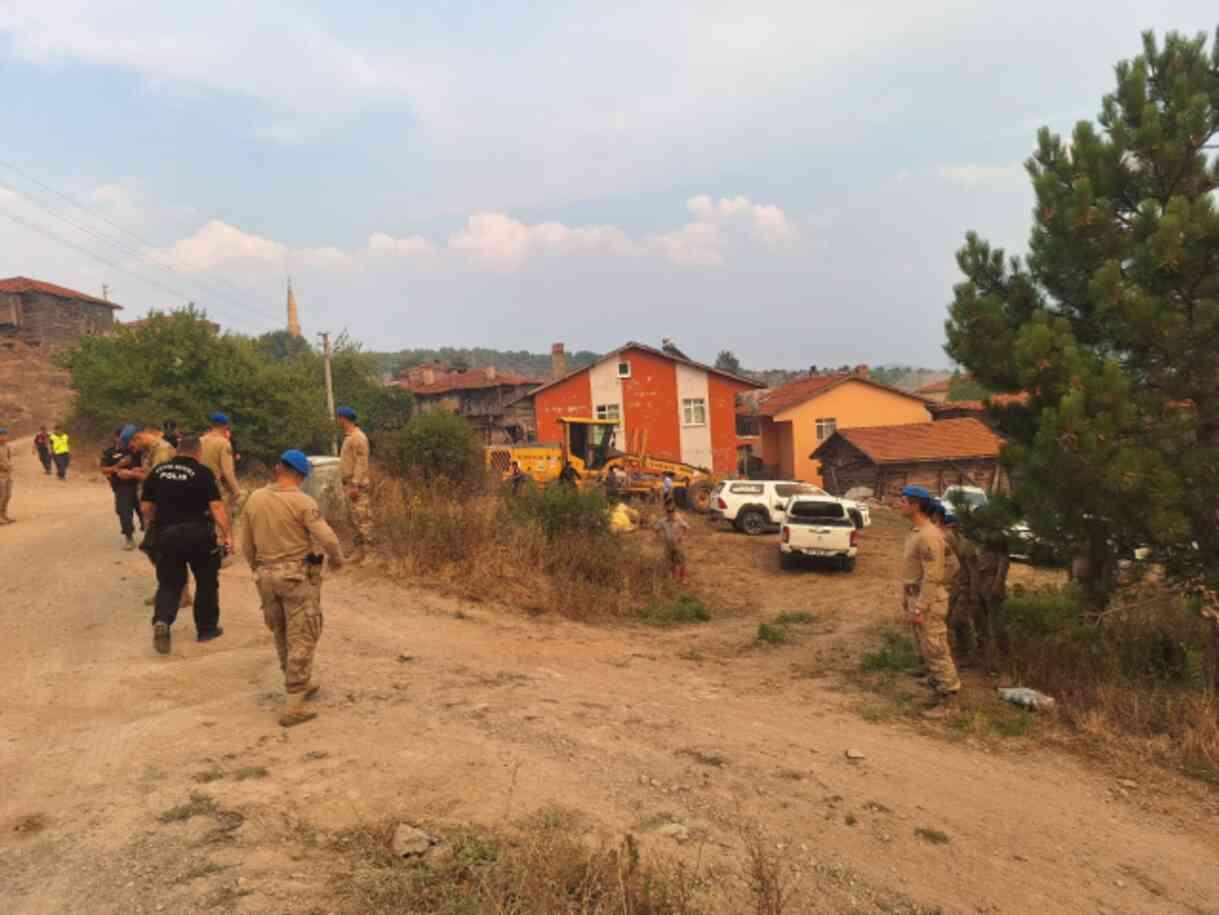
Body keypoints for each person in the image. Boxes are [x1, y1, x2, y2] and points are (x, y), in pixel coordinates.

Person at [241, 449, 345, 727]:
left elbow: (246, 546)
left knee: (281, 631)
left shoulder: (254, 499)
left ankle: (298, 681)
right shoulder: (303, 502)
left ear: (278, 468)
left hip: (265, 575)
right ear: (301, 476)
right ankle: (294, 705)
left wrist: (258, 568)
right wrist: (337, 561)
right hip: (296, 576)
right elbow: (328, 538)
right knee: (303, 634)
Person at [140, 434, 231, 654]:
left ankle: (162, 620)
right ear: (198, 452)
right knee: (207, 581)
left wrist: (159, 521)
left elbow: (145, 508)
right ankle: (207, 629)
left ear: (177, 451)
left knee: (170, 583)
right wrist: (227, 535)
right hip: (199, 535)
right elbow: (217, 508)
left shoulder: (158, 471)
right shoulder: (203, 473)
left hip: (167, 534)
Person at [898, 484, 960, 717]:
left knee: (936, 649)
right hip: (918, 597)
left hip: (928, 603)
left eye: (903, 501)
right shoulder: (918, 532)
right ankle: (938, 693)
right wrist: (909, 598)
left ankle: (950, 702)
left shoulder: (929, 535)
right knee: (926, 649)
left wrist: (923, 604)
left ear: (915, 505)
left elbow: (935, 573)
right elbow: (952, 564)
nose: (899, 504)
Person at [200, 412, 246, 564]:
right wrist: (236, 490)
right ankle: (221, 556)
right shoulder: (223, 443)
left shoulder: (200, 440)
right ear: (226, 425)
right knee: (222, 520)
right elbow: (227, 471)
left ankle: (203, 552)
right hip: (216, 486)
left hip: (198, 484)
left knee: (204, 520)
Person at [100, 425, 143, 549]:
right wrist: (118, 466)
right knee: (124, 513)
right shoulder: (109, 452)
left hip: (138, 485)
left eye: (127, 440)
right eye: (121, 439)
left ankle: (150, 534)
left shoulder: (136, 450)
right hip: (121, 487)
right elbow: (103, 469)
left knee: (144, 511)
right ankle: (129, 538)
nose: (125, 442)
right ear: (116, 438)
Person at [337, 406, 372, 561]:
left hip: (355, 485)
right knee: (353, 519)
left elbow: (361, 462)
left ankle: (370, 555)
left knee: (363, 519)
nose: (339, 421)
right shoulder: (349, 436)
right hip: (348, 484)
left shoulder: (358, 437)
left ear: (345, 419)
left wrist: (355, 484)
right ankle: (359, 552)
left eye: (340, 418)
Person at [653, 499, 691, 582]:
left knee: (682, 561)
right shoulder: (663, 521)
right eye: (669, 512)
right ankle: (673, 578)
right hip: (668, 544)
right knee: (671, 562)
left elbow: (686, 527)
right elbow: (656, 528)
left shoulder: (678, 520)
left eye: (672, 511)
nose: (670, 513)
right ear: (666, 512)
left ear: (674, 512)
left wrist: (682, 536)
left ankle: (683, 578)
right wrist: (660, 537)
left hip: (677, 543)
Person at [0, 427, 12, 524]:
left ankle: (4, 515)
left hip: (7, 474)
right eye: (2, 435)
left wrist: (8, 466)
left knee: (8, 495)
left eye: (5, 435)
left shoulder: (7, 446)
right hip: (0, 475)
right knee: (1, 495)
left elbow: (8, 458)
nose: (4, 437)